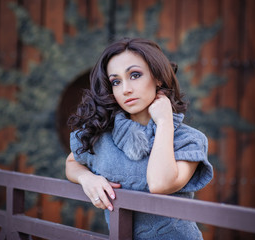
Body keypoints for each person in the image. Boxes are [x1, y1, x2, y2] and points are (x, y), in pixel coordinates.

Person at [65, 37, 213, 239]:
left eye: (135, 75)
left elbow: (160, 184)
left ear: (158, 78)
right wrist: (87, 178)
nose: (125, 89)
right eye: (116, 81)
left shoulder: (189, 139)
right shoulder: (100, 134)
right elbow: (72, 162)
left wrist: (164, 122)